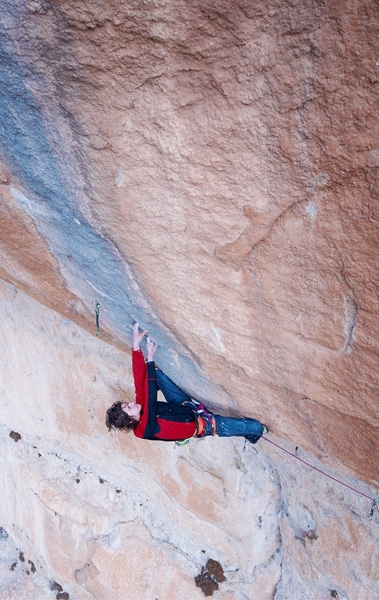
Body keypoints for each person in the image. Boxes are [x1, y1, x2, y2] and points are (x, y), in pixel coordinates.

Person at [106, 323, 268, 444]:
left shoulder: (139, 409)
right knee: (255, 427)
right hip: (202, 424)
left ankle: (184, 425)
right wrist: (150, 357)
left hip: (182, 407)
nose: (132, 403)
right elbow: (150, 393)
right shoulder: (144, 429)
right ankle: (254, 436)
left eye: (127, 403)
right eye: (129, 407)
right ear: (130, 420)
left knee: (154, 375)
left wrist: (135, 346)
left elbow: (139, 380)